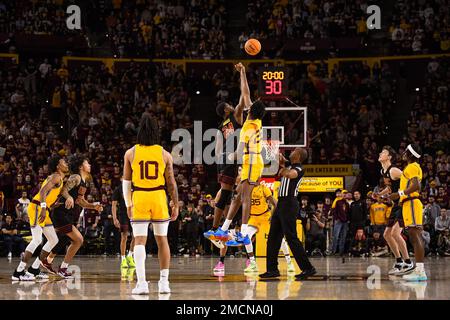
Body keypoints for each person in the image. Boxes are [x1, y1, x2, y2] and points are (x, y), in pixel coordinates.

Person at [122, 114, 179, 295]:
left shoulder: (131, 153)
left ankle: (142, 284)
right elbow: (171, 183)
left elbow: (126, 182)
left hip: (139, 196)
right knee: (162, 240)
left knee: (139, 240)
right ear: (157, 132)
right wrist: (175, 203)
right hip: (158, 196)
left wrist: (128, 204)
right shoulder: (165, 154)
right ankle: (164, 283)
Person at [203, 62, 248, 245]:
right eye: (229, 104)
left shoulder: (221, 127)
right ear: (226, 110)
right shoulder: (235, 116)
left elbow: (217, 150)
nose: (232, 105)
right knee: (240, 193)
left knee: (226, 192)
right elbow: (244, 98)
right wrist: (242, 73)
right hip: (233, 159)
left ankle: (215, 229)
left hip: (222, 161)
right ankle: (232, 229)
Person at [260, 148, 317, 280]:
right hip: (281, 204)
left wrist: (281, 167)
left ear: (297, 156)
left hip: (290, 204)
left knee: (291, 237)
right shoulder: (289, 165)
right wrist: (280, 160)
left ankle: (308, 268)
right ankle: (272, 269)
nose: (291, 152)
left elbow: (290, 174)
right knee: (273, 237)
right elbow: (282, 166)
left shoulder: (299, 168)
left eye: (294, 151)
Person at [12, 155, 68, 281]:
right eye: (64, 162)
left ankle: (34, 269)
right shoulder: (56, 176)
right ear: (58, 165)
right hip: (37, 208)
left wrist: (51, 204)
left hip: (44, 209)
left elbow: (47, 195)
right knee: (37, 240)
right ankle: (18, 272)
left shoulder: (59, 178)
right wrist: (43, 207)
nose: (66, 163)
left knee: (53, 240)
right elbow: (42, 192)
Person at [48, 155, 103, 278]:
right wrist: (69, 197)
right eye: (87, 163)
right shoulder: (75, 177)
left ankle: (47, 261)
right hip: (60, 212)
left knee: (63, 239)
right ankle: (61, 267)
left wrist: (93, 206)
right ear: (80, 166)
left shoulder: (85, 181)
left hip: (67, 214)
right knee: (78, 240)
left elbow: (80, 201)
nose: (89, 165)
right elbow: (63, 190)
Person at [224, 98, 266, 247]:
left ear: (250, 112)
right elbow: (247, 97)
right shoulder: (257, 121)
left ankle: (243, 232)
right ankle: (224, 229)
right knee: (236, 197)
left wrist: (229, 156)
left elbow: (239, 153)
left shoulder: (248, 127)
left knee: (245, 197)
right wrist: (242, 74)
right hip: (252, 162)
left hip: (252, 162)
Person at [387, 144, 427, 281]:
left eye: (405, 151)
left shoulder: (412, 167)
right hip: (407, 203)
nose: (403, 153)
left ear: (410, 154)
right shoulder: (410, 168)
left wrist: (399, 194)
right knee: (413, 235)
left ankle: (420, 271)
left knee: (415, 235)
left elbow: (416, 186)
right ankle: (419, 270)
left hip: (411, 202)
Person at [376, 146, 414, 275]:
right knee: (387, 234)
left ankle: (408, 262)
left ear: (389, 157)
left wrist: (403, 194)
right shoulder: (383, 171)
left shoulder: (394, 170)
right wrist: (380, 195)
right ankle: (399, 261)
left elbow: (411, 182)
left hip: (404, 203)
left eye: (383, 152)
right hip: (396, 205)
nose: (380, 153)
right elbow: (389, 187)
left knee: (395, 233)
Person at [112, 177, 135, 269]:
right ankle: (123, 259)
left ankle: (130, 255)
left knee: (136, 236)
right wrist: (114, 218)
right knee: (124, 237)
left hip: (134, 214)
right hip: (123, 215)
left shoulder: (135, 186)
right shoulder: (118, 189)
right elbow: (114, 205)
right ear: (121, 179)